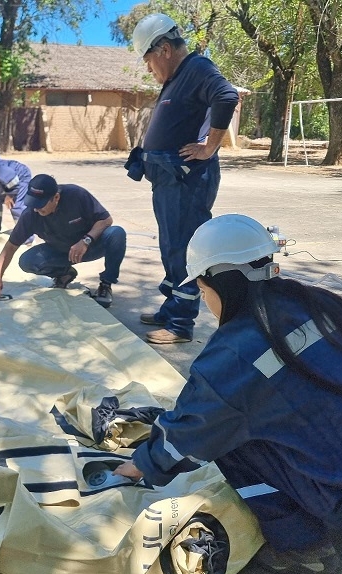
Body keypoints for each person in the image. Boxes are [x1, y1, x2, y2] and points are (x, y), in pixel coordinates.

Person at [115, 214, 342, 574]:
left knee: (232, 440)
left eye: (201, 288)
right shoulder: (318, 302)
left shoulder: (232, 357)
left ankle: (302, 547)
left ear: (216, 283)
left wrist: (137, 466)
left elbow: (188, 435)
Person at [126, 14, 238, 344]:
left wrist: (209, 146)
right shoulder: (177, 79)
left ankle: (180, 324)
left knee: (184, 251)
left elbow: (227, 97)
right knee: (170, 248)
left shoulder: (197, 68)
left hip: (187, 183)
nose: (149, 69)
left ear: (162, 49)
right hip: (168, 181)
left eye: (148, 60)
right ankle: (170, 307)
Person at [0, 174, 126, 308]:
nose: (36, 209)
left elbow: (106, 220)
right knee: (27, 261)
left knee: (116, 234)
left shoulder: (76, 195)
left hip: (90, 246)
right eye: (33, 204)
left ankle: (106, 285)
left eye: (41, 204)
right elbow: (10, 247)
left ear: (56, 197)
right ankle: (64, 274)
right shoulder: (31, 214)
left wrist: (86, 240)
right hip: (61, 252)